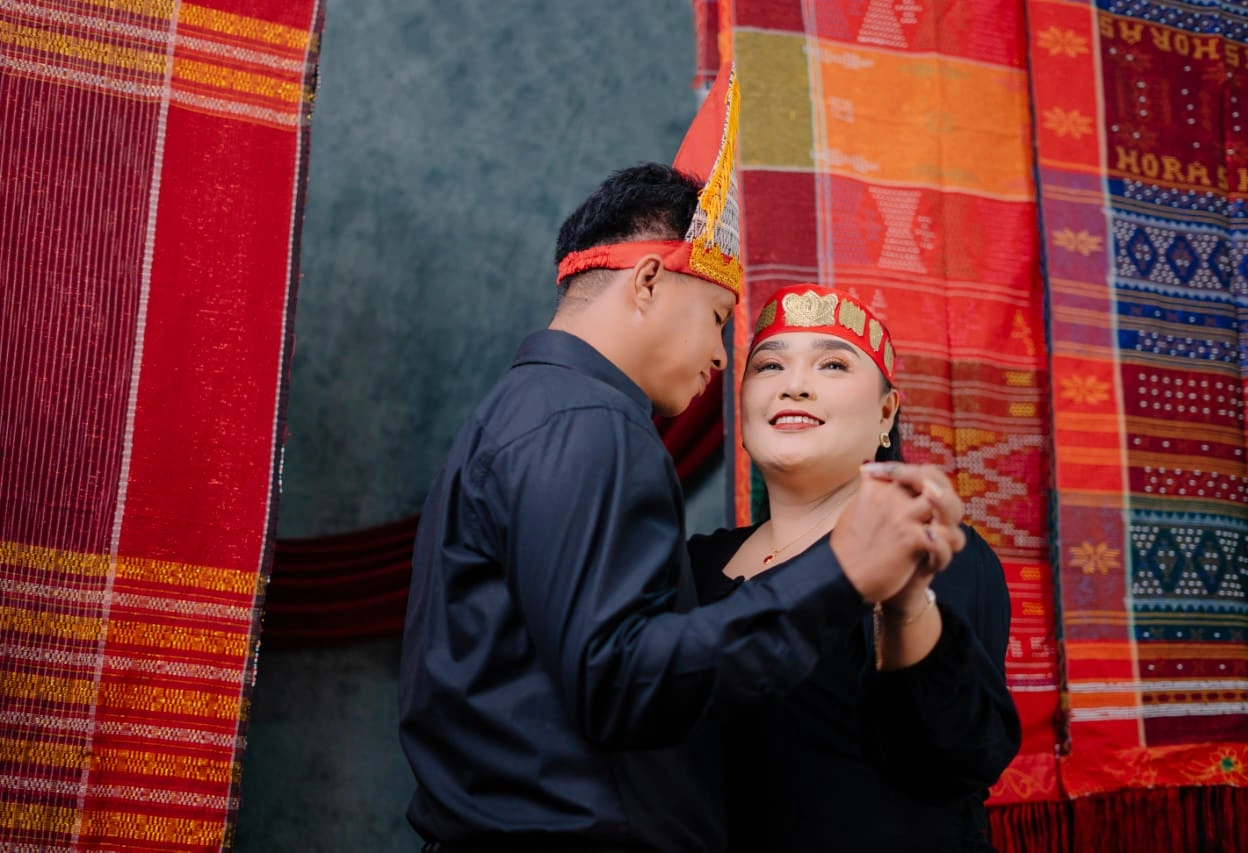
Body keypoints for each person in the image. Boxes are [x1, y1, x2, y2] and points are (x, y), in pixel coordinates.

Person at [399, 58, 968, 853]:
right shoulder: (589, 421)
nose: (720, 356)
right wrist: (839, 571)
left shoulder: (523, 410)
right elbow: (620, 681)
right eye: (719, 318)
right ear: (645, 283)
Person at [688, 284, 1022, 853]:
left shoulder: (932, 550)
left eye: (833, 364)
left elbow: (954, 757)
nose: (794, 385)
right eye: (769, 365)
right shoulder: (690, 564)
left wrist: (905, 603)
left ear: (886, 413)